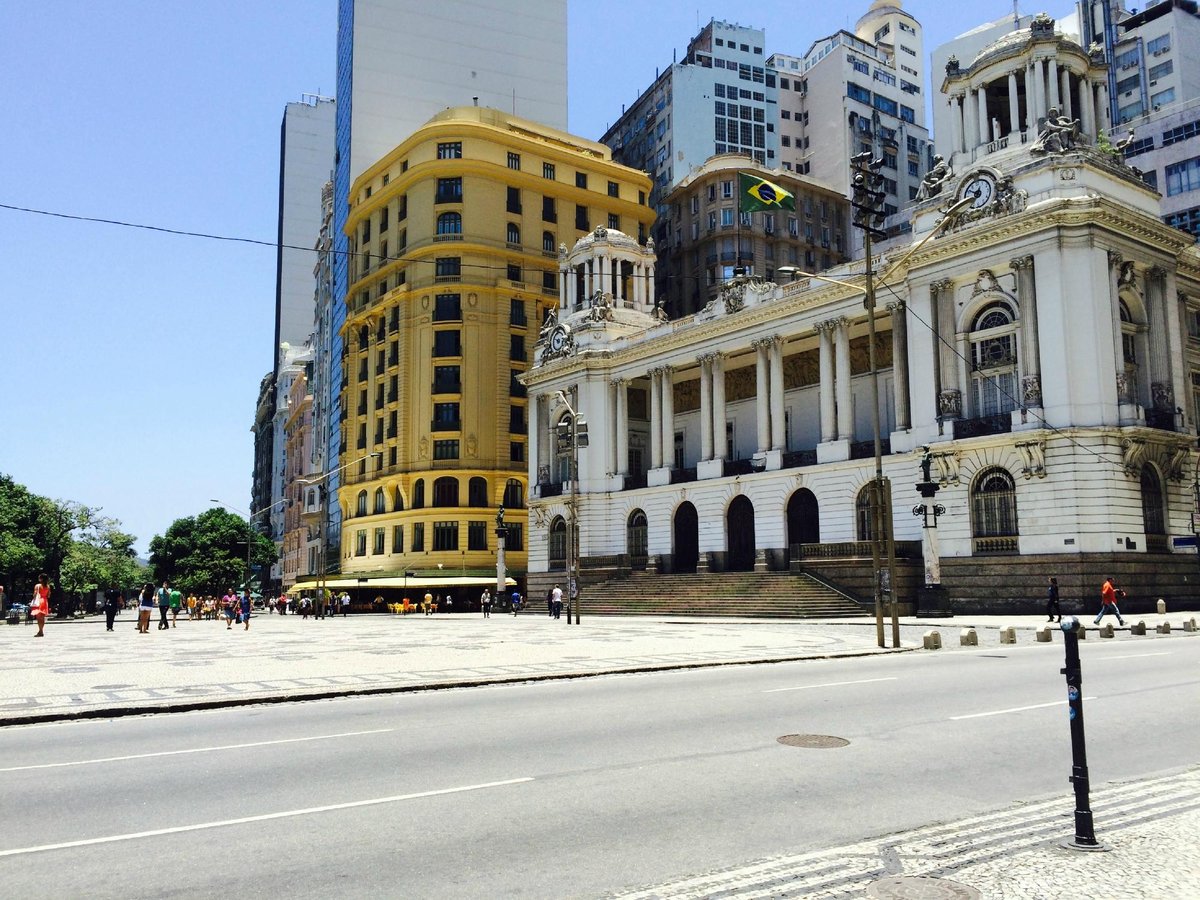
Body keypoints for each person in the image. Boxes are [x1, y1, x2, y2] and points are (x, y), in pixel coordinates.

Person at [30, 573, 51, 637]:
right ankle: (40, 631)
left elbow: (35, 594)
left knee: (39, 618)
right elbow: (48, 595)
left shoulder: (37, 586)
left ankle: (41, 631)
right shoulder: (48, 586)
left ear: (41, 578)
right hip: (45, 601)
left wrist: (33, 599)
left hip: (39, 601)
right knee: (42, 617)